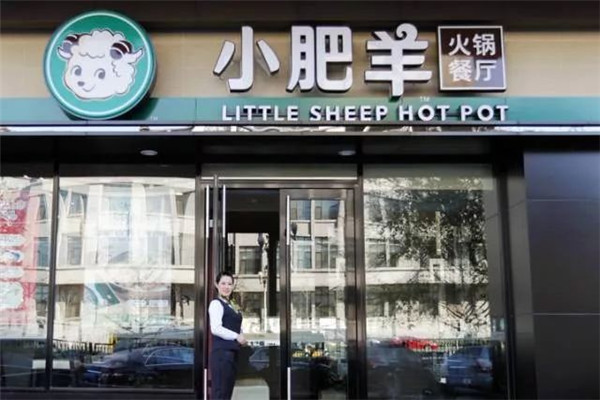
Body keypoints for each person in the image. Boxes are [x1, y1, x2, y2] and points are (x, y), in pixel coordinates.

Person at [209, 271, 247, 400]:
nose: (226, 287)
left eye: (229, 284)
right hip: (222, 355)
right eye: (223, 283)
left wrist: (241, 334)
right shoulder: (216, 304)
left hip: (232, 353)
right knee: (220, 392)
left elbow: (236, 324)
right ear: (217, 285)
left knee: (227, 392)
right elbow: (216, 328)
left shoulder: (232, 304)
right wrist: (237, 336)